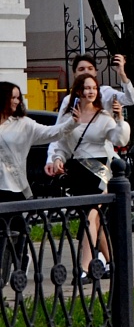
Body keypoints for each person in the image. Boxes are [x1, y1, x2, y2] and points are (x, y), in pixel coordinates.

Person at [46, 73, 130, 281]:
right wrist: (57, 159)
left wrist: (120, 120)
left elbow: (119, 138)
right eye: (87, 88)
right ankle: (112, 263)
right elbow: (62, 145)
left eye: (94, 88)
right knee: (94, 219)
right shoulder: (70, 117)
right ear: (78, 91)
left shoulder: (103, 116)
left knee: (91, 215)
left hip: (101, 169)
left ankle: (83, 268)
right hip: (78, 170)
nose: (91, 92)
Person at [0, 82, 81, 278]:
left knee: (16, 228)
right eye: (13, 97)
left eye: (18, 97)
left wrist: (72, 123)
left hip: (14, 186)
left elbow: (51, 133)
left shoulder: (24, 124)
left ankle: (20, 261)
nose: (17, 101)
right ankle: (4, 268)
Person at [53, 54, 134, 116]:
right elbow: (59, 129)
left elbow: (130, 99)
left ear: (95, 72)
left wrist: (122, 74)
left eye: (90, 68)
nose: (86, 72)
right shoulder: (68, 100)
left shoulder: (106, 93)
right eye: (81, 69)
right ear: (74, 73)